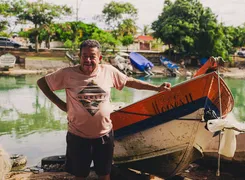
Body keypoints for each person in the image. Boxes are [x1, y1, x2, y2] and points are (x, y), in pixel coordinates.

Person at [37, 39, 171, 180]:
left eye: (92, 56)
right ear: (79, 56)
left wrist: (156, 88)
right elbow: (42, 83)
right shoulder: (67, 74)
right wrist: (61, 105)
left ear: (99, 58)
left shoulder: (108, 71)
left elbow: (129, 81)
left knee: (104, 173)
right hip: (78, 136)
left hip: (104, 136)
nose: (88, 60)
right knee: (80, 175)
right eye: (84, 56)